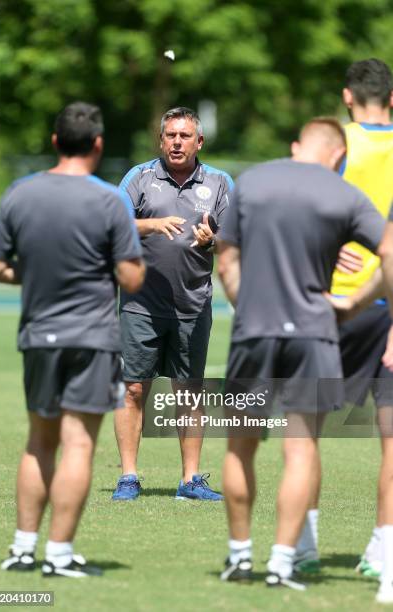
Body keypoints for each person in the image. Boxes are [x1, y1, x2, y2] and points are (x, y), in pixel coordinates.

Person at [217, 117, 385, 590]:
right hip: (314, 334)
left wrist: (245, 303)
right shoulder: (344, 195)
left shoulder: (250, 182)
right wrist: (353, 301)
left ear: (295, 147)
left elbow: (226, 258)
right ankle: (283, 562)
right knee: (301, 449)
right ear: (338, 156)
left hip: (254, 331)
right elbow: (389, 253)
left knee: (240, 446)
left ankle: (239, 557)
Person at [0, 102, 145, 577]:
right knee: (78, 445)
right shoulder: (109, 201)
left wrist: (35, 275)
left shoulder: (20, 192)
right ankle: (58, 555)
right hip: (92, 339)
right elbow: (132, 277)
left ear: (55, 141)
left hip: (38, 336)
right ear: (97, 145)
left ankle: (21, 548)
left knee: (39, 441)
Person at [295, 58, 393, 586]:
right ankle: (383, 551)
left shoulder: (335, 147)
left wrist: (331, 256)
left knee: (305, 430)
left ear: (347, 97)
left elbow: (303, 213)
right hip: (389, 308)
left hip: (329, 305)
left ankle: (304, 544)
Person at [112, 107, 233, 501]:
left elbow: (235, 238)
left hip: (193, 305)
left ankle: (190, 480)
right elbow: (109, 226)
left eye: (184, 136)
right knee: (132, 389)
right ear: (160, 140)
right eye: (170, 135)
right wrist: (150, 224)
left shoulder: (218, 182)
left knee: (189, 392)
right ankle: (129, 477)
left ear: (200, 142)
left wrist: (211, 240)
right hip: (140, 304)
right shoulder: (139, 177)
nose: (176, 142)